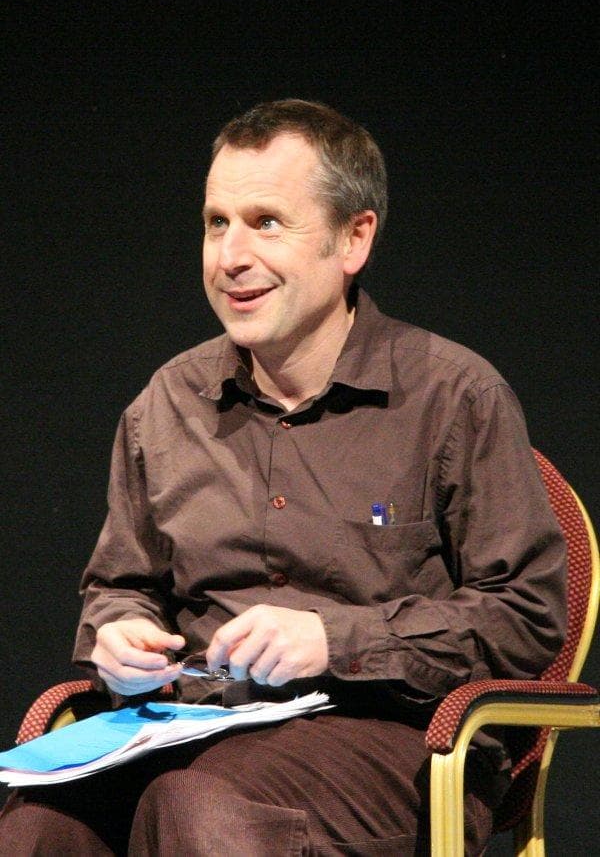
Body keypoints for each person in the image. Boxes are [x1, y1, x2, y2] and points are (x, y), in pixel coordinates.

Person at [0, 99, 567, 855]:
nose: (230, 256)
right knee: (35, 826)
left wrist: (334, 639)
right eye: (217, 223)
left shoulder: (454, 398)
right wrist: (120, 634)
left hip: (389, 738)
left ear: (353, 239)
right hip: (193, 726)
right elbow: (121, 585)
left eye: (266, 222)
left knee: (202, 805)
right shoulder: (167, 404)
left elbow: (526, 617)